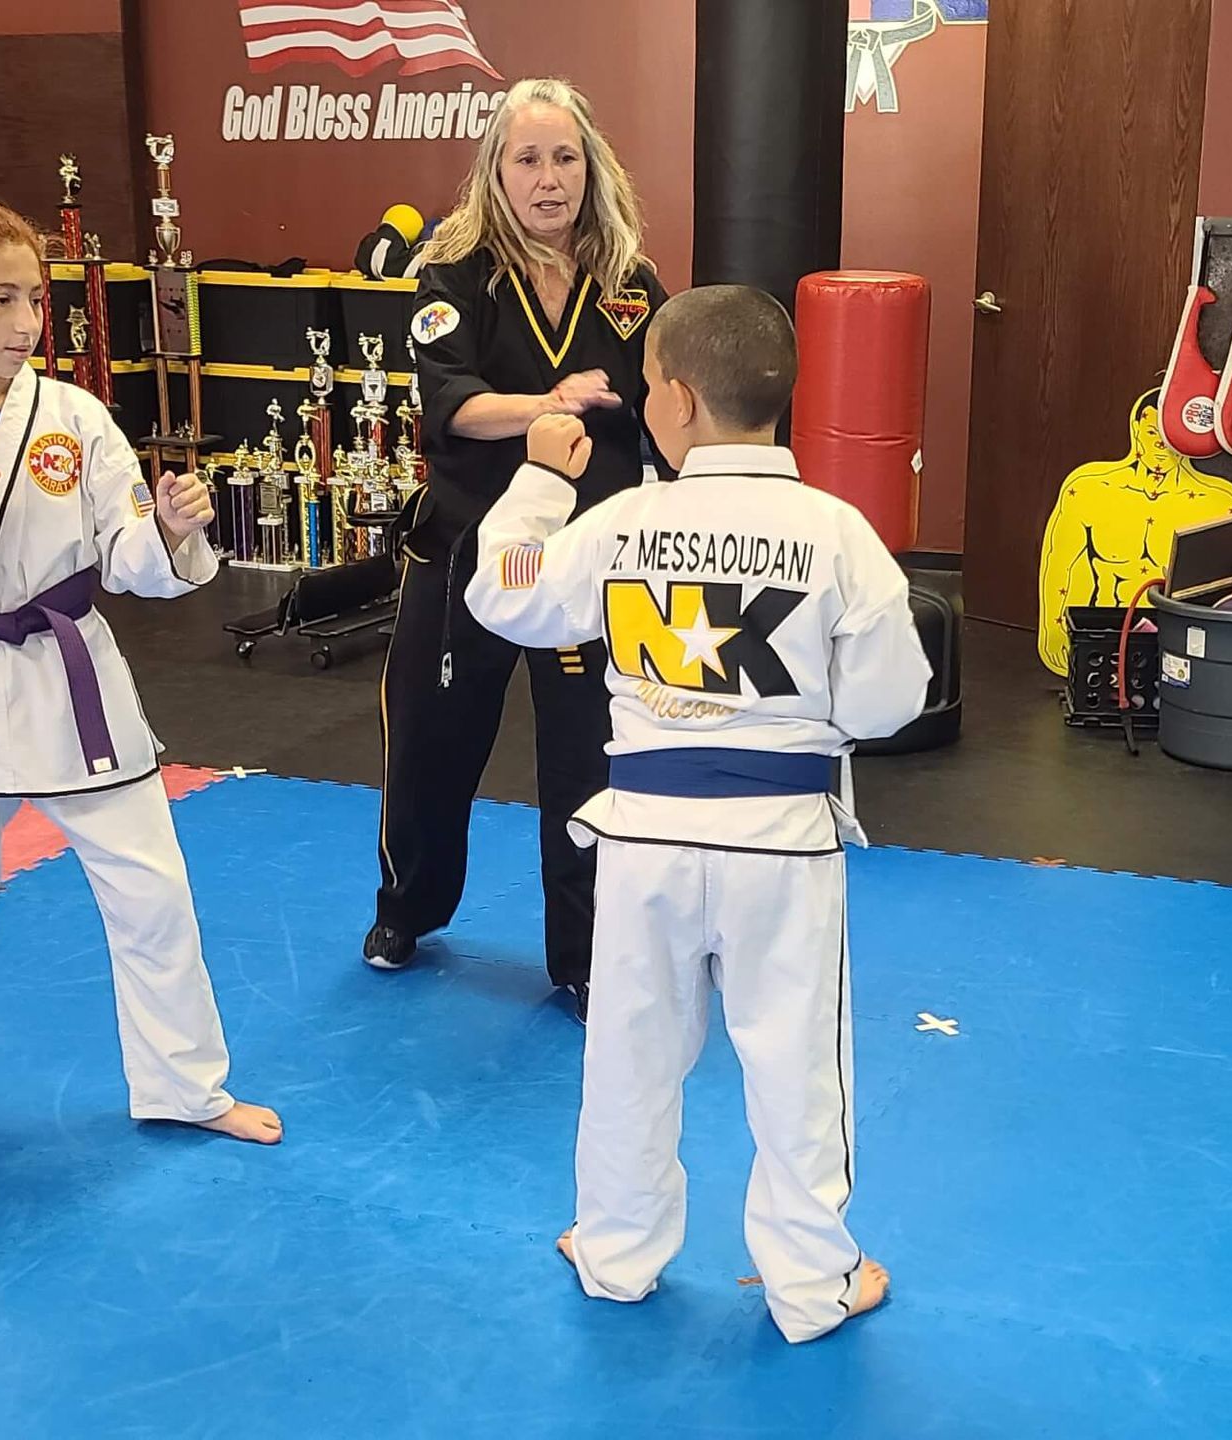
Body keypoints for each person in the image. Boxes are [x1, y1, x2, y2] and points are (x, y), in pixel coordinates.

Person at [463, 286, 932, 1343]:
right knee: (796, 1069)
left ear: (673, 399)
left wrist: (541, 479)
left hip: (643, 846)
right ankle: (813, 1285)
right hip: (782, 849)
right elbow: (888, 701)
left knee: (631, 1054)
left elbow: (502, 591)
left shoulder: (622, 523)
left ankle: (617, 1252)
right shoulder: (838, 533)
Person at [0, 199, 282, 1159]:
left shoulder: (73, 416)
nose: (29, 321)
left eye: (37, 298)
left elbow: (126, 555)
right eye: (2, 298)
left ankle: (186, 1088)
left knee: (152, 895)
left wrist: (173, 530)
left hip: (74, 690)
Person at [367, 78, 668, 1020]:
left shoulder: (630, 284)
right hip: (468, 552)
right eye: (528, 159)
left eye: (566, 157)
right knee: (431, 745)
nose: (549, 179)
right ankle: (407, 909)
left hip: (585, 563)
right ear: (495, 173)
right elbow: (449, 401)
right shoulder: (454, 275)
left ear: (594, 167)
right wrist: (549, 405)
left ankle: (582, 956)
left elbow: (665, 409)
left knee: (587, 762)